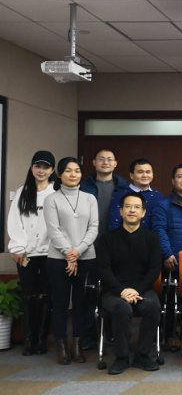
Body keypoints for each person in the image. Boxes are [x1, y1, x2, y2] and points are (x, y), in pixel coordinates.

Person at [96, 192, 162, 375]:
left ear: (143, 212)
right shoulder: (107, 239)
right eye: (128, 206)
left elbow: (154, 269)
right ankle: (122, 357)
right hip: (113, 291)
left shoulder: (151, 238)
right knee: (122, 308)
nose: (132, 210)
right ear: (121, 211)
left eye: (137, 207)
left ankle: (142, 355)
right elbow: (103, 269)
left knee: (152, 306)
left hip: (143, 289)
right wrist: (121, 291)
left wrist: (136, 290)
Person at [43, 157, 99, 364]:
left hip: (86, 257)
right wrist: (69, 253)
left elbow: (94, 227)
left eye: (77, 170)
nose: (73, 174)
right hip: (58, 259)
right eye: (68, 170)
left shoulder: (89, 198)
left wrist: (78, 251)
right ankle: (61, 346)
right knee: (60, 303)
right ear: (59, 174)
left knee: (81, 303)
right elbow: (53, 230)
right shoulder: (52, 199)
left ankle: (77, 345)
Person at [7, 150, 55, 356]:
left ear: (52, 170)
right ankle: (29, 340)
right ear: (32, 168)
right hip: (26, 254)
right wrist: (17, 248)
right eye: (37, 166)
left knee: (46, 297)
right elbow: (14, 222)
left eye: (45, 167)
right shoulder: (22, 192)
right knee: (29, 296)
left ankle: (42, 339)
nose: (41, 170)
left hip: (50, 254)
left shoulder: (56, 192)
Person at [80, 149, 129, 237]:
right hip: (87, 235)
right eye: (101, 159)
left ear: (115, 163)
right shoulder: (83, 186)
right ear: (94, 162)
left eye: (109, 159)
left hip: (116, 236)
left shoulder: (124, 187)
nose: (105, 162)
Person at [107, 158, 164, 231]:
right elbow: (114, 223)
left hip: (152, 237)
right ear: (131, 175)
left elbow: (161, 224)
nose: (145, 175)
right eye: (140, 172)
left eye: (148, 172)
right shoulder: (120, 194)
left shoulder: (158, 195)